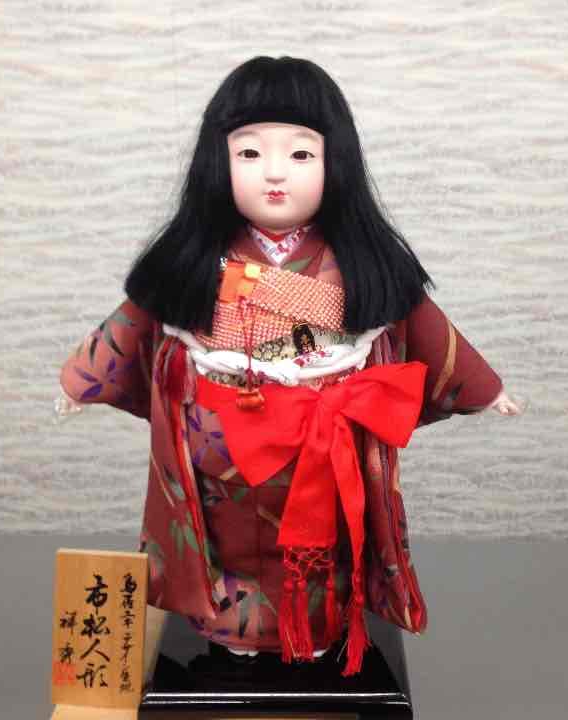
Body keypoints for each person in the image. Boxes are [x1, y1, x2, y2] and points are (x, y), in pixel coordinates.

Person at [56, 55, 522, 679]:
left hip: (325, 443)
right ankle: (233, 629)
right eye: (249, 153)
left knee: (325, 543)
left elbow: (425, 328)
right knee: (225, 543)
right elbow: (134, 324)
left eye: (301, 154)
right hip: (220, 443)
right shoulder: (193, 261)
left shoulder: (360, 261)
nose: (274, 172)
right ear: (217, 162)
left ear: (336, 162)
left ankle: (321, 626)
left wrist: (483, 390)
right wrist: (83, 382)